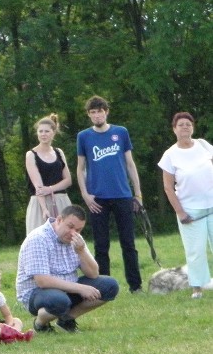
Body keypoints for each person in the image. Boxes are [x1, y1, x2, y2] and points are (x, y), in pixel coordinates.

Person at [76, 95, 143, 293]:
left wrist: (137, 194)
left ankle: (135, 285)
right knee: (101, 245)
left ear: (106, 111)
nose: (97, 115)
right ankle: (103, 288)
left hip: (122, 194)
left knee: (128, 243)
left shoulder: (120, 132)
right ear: (89, 115)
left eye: (100, 111)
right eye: (93, 112)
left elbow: (130, 164)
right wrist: (86, 195)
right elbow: (80, 168)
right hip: (98, 198)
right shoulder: (84, 136)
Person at [16, 204, 119, 333]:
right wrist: (81, 288)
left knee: (110, 285)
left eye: (78, 230)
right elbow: (42, 281)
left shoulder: (76, 240)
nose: (73, 233)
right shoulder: (38, 238)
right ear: (59, 220)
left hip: (68, 288)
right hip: (38, 293)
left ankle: (66, 320)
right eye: (70, 227)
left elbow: (93, 274)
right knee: (60, 301)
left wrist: (81, 251)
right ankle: (40, 323)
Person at [158, 112, 213, 299]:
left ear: (193, 127)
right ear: (174, 129)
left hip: (212, 205)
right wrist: (180, 212)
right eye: (180, 124)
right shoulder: (170, 155)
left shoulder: (204, 146)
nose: (185, 127)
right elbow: (168, 187)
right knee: (195, 251)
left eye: (188, 124)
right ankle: (197, 288)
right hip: (190, 210)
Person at [24, 114, 73, 234]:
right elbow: (38, 186)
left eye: (46, 131)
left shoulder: (59, 152)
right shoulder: (31, 155)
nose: (43, 134)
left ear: (53, 132)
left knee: (66, 239)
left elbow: (68, 180)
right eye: (40, 131)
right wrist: (45, 209)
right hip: (40, 203)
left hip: (61, 201)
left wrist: (51, 189)